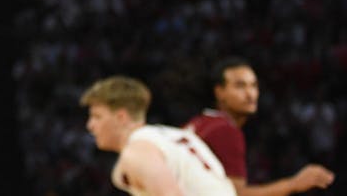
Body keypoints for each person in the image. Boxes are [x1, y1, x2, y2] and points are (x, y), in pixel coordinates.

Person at [185, 57, 336, 195]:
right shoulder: (226, 131)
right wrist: (294, 184)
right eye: (240, 86)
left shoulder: (197, 123)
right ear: (219, 92)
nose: (250, 94)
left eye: (254, 85)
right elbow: (237, 194)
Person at [80, 75, 236, 195]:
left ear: (121, 117)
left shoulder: (137, 151)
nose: (90, 125)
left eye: (97, 116)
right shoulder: (172, 134)